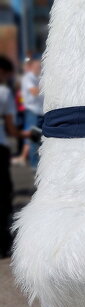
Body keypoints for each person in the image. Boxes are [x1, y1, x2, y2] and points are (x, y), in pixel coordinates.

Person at [0, 56, 29, 257]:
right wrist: (25, 134)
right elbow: (10, 129)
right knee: (2, 197)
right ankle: (3, 246)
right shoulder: (4, 93)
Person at [21, 56, 43, 168]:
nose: (40, 68)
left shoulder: (39, 77)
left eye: (40, 66)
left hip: (41, 112)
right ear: (32, 66)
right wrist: (47, 87)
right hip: (32, 112)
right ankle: (34, 165)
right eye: (38, 66)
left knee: (40, 138)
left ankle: (36, 162)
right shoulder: (28, 78)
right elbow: (34, 92)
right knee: (34, 139)